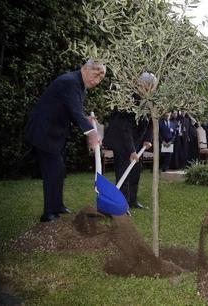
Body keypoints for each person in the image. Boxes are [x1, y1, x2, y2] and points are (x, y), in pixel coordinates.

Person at [25, 60, 105, 222]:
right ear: (85, 69)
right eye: (95, 76)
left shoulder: (78, 83)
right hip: (44, 132)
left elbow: (72, 109)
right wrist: (91, 133)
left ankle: (57, 205)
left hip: (55, 133)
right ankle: (48, 213)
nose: (96, 82)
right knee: (52, 171)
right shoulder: (70, 82)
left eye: (100, 79)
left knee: (59, 170)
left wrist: (86, 119)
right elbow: (75, 111)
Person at [103, 71, 156, 210]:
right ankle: (122, 203)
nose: (151, 90)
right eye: (150, 86)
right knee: (123, 171)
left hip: (137, 140)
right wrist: (131, 150)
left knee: (135, 170)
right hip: (121, 140)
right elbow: (124, 127)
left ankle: (132, 200)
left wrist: (147, 139)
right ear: (142, 84)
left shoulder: (149, 100)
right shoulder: (128, 99)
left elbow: (152, 121)